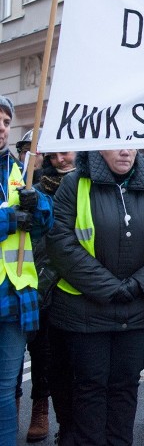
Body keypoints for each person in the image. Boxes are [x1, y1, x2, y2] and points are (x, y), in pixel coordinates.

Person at [47, 148, 144, 445]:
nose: (125, 150)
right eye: (117, 142)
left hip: (137, 312)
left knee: (125, 387)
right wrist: (110, 288)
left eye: (131, 142)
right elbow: (60, 242)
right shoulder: (76, 183)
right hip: (85, 312)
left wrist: (138, 285)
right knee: (90, 388)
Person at [0, 96, 53, 446]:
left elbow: (43, 219)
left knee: (6, 390)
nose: (2, 127)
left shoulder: (16, 168)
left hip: (13, 295)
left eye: (6, 121)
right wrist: (8, 220)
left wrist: (38, 206)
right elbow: (11, 218)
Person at [25, 151, 77, 445]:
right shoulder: (37, 186)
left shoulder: (87, 182)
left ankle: (73, 423)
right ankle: (40, 407)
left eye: (65, 152)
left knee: (76, 359)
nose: (60, 159)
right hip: (43, 277)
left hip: (76, 279)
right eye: (53, 155)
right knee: (43, 352)